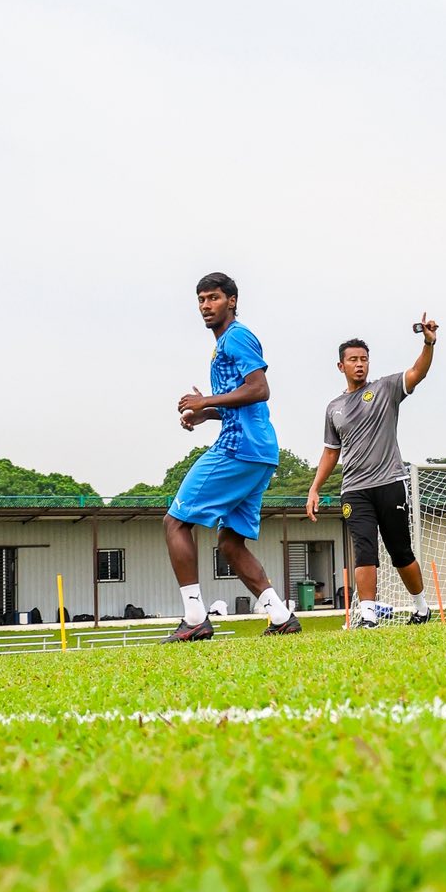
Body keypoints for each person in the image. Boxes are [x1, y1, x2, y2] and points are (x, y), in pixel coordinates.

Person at [164, 273, 297, 643]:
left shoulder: (236, 336)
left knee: (175, 523)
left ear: (232, 301)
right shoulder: (224, 343)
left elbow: (259, 389)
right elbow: (241, 402)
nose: (206, 306)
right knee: (230, 543)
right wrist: (206, 413)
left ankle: (195, 618)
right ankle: (281, 616)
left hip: (239, 448)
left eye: (214, 298)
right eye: (201, 300)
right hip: (260, 452)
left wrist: (205, 400)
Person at [307, 316, 438, 627]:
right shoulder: (334, 408)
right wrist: (314, 488)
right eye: (353, 360)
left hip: (390, 482)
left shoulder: (385, 388)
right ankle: (367, 614)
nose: (359, 364)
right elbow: (331, 451)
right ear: (341, 366)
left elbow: (417, 372)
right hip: (354, 489)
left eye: (364, 359)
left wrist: (428, 342)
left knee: (400, 551)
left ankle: (421, 607)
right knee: (364, 548)